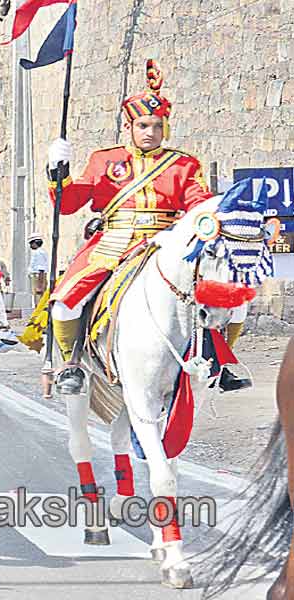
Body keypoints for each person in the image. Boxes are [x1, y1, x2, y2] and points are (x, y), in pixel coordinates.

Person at [44, 59, 248, 394]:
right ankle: (72, 363)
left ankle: (222, 361)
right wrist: (58, 172)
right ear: (130, 127)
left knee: (229, 296)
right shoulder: (104, 160)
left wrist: (205, 220)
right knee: (67, 298)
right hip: (114, 242)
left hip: (167, 241)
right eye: (143, 125)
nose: (150, 132)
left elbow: (198, 202)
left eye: (156, 125)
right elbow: (68, 204)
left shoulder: (184, 164)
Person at [27, 232, 49, 306]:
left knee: (39, 299)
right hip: (37, 277)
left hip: (38, 277)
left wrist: (40, 285)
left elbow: (41, 269)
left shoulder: (38, 253)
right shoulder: (38, 252)